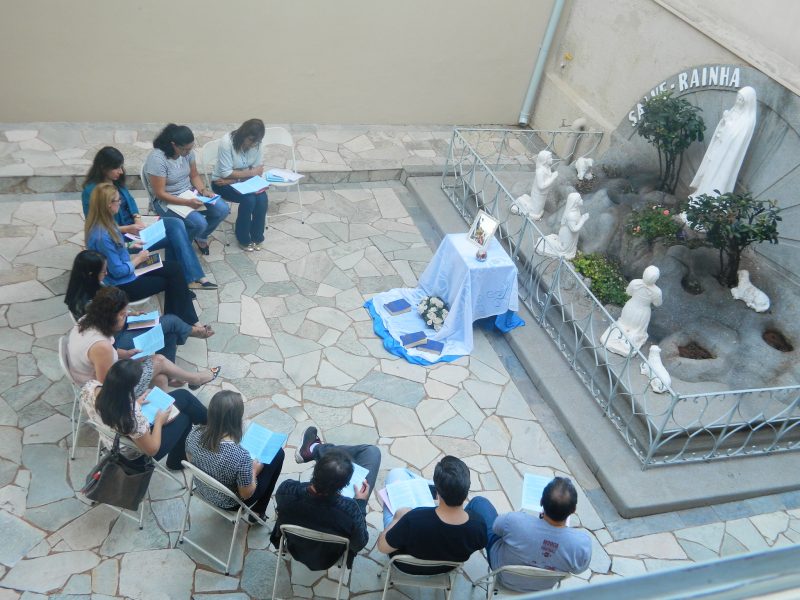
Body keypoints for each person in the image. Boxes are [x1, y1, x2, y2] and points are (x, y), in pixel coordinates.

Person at [82, 146, 218, 290]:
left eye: (121, 167)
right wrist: (126, 228)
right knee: (175, 237)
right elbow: (96, 225)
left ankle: (184, 277)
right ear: (103, 167)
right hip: (121, 237)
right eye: (116, 168)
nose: (121, 171)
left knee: (176, 224)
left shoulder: (115, 181)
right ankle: (190, 278)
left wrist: (137, 218)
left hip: (135, 228)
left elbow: (130, 200)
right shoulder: (91, 192)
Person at [64, 250, 213, 363]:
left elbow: (109, 314)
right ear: (91, 273)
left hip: (118, 327)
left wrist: (127, 314)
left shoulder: (86, 287)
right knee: (171, 321)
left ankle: (169, 374)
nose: (107, 273)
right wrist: (125, 317)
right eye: (103, 271)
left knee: (169, 332)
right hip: (117, 340)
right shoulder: (87, 303)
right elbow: (106, 329)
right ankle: (193, 331)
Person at [66, 286, 221, 393]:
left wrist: (125, 355)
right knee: (159, 361)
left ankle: (163, 413)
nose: (126, 316)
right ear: (108, 317)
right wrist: (130, 364)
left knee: (161, 379)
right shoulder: (100, 346)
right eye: (122, 314)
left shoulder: (89, 320)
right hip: (103, 392)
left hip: (104, 372)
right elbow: (107, 388)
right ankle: (196, 378)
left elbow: (104, 356)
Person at [85, 182, 200, 326]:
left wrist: (130, 245)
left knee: (175, 268)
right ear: (109, 204)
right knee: (173, 281)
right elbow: (118, 271)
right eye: (117, 200)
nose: (120, 203)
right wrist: (138, 259)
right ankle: (185, 323)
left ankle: (182, 321)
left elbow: (114, 248)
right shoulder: (103, 236)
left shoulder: (104, 222)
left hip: (128, 270)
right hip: (124, 284)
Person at [270, 425, 381, 570]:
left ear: (315, 470)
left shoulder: (287, 491)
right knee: (372, 452)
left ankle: (315, 449)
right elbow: (359, 543)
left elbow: (292, 498)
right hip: (329, 557)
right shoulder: (351, 510)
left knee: (362, 455)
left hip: (296, 548)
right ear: (345, 484)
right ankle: (315, 449)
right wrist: (360, 502)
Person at [466, 477, 592, 592]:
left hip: (502, 574)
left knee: (479, 502)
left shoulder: (515, 521)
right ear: (573, 510)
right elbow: (579, 569)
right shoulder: (581, 545)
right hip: (542, 588)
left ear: (541, 501)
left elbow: (496, 528)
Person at [80, 359, 208, 470]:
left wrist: (136, 403)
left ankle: (212, 426)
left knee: (183, 396)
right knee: (184, 417)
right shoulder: (131, 416)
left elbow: (112, 405)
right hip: (135, 455)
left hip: (113, 435)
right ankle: (176, 462)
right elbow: (152, 450)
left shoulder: (90, 387)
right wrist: (159, 421)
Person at [377, 456, 487, 574]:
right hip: (446, 568)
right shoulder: (478, 525)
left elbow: (382, 547)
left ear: (437, 493)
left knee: (396, 473)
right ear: (466, 492)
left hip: (406, 566)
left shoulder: (412, 519)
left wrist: (397, 518)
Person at [186, 391, 284, 522]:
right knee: (278, 454)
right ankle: (258, 511)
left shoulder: (194, 433)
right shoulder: (240, 455)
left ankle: (258, 512)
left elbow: (190, 460)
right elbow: (246, 494)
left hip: (203, 490)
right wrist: (254, 471)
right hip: (230, 503)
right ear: (236, 419)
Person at [144, 124, 231, 255]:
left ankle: (200, 236)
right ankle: (183, 247)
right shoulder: (157, 159)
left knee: (222, 209)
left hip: (189, 193)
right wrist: (187, 203)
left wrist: (203, 190)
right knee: (199, 223)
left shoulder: (187, 154)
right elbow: (160, 193)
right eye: (185, 149)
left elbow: (194, 175)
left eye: (191, 148)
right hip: (166, 200)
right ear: (173, 145)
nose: (188, 152)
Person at [211, 119, 268, 251]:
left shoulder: (257, 144)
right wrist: (249, 173)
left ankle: (257, 237)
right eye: (251, 140)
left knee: (262, 198)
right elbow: (225, 173)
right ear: (243, 134)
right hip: (220, 184)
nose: (253, 144)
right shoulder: (227, 143)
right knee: (249, 199)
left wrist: (233, 179)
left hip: (239, 182)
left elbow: (257, 172)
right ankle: (243, 237)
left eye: (256, 141)